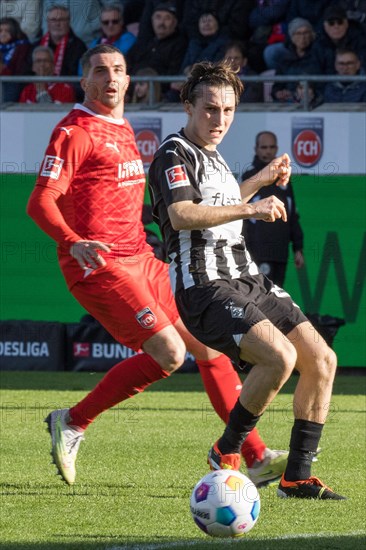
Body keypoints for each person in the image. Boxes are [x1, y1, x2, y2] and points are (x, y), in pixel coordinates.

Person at [27, 44, 288, 488]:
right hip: (99, 265)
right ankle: (72, 421)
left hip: (142, 258)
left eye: (118, 70)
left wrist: (258, 182)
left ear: (129, 80)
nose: (110, 78)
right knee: (169, 353)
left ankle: (257, 456)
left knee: (208, 348)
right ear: (84, 80)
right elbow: (40, 202)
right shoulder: (74, 132)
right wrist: (74, 242)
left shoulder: (123, 127)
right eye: (99, 71)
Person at [148, 60, 345, 500]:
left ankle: (296, 477)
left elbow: (223, 199)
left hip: (244, 277)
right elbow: (183, 215)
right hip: (203, 284)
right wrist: (252, 209)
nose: (219, 120)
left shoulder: (215, 158)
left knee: (322, 360)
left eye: (228, 110)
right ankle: (228, 451)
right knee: (278, 357)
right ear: (188, 106)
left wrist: (262, 179)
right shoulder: (173, 153)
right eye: (210, 109)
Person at [240, 131, 304, 287]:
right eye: (263, 147)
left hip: (280, 252)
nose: (267, 151)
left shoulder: (284, 179)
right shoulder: (248, 178)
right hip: (256, 252)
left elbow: (292, 216)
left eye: (271, 147)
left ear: (276, 149)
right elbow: (237, 213)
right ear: (256, 149)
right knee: (259, 297)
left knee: (276, 297)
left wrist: (298, 248)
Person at [270, 18, 318, 102]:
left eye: (306, 33)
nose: (302, 37)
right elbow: (277, 86)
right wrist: (278, 93)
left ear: (311, 35)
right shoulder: (284, 58)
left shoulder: (319, 54)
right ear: (292, 37)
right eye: (298, 33)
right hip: (288, 102)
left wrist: (313, 92)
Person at [38, 5, 87, 76]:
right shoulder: (37, 45)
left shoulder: (79, 47)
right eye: (53, 20)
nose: (57, 24)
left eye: (61, 20)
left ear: (68, 22)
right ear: (48, 23)